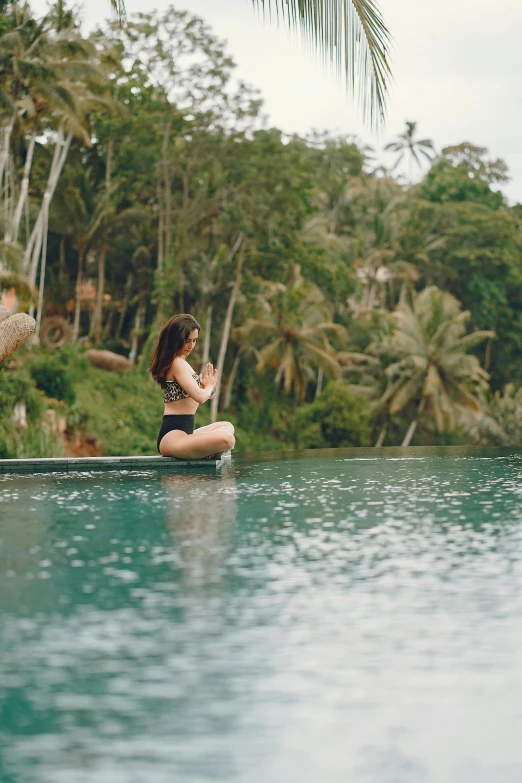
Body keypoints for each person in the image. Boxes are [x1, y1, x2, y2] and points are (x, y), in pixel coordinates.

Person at [149, 313, 235, 459]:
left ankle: (206, 451)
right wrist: (208, 387)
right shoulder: (176, 363)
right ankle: (208, 451)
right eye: (187, 341)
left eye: (195, 340)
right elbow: (201, 398)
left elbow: (197, 395)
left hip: (186, 433)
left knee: (227, 426)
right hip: (172, 437)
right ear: (176, 339)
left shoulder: (182, 362)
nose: (191, 346)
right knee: (228, 439)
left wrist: (206, 387)